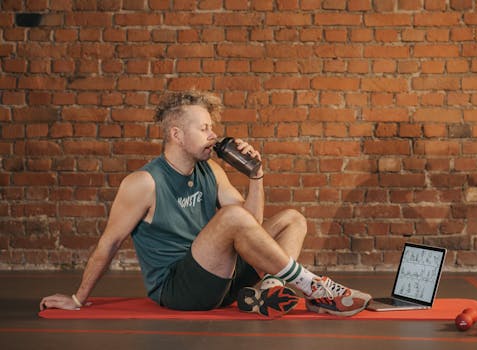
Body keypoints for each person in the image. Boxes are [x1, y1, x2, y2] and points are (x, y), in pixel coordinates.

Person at [39, 90, 372, 317]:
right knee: (231, 216)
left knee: (292, 219)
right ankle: (313, 288)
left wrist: (256, 175)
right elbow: (108, 242)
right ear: (176, 135)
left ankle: (269, 287)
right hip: (180, 290)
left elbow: (252, 228)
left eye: (212, 127)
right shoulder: (143, 182)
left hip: (222, 281)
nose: (214, 135)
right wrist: (78, 298)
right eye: (204, 128)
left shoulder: (210, 169)